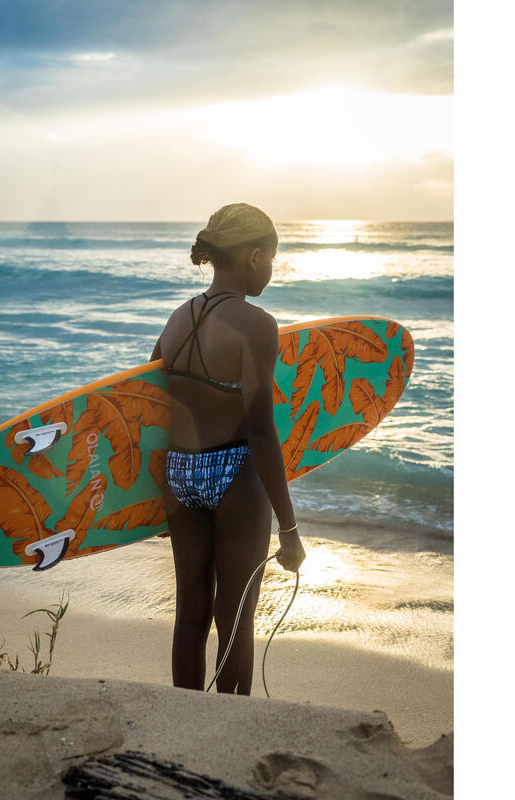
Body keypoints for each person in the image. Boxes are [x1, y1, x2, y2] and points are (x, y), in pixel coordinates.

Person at [149, 203, 306, 695]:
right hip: (235, 472)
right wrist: (290, 528)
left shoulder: (178, 318)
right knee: (236, 614)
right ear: (255, 256)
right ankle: (229, 725)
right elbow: (261, 430)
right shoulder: (256, 323)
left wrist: (150, 495)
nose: (272, 270)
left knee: (191, 611)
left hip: (180, 474)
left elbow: (148, 406)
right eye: (273, 259)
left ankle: (184, 713)